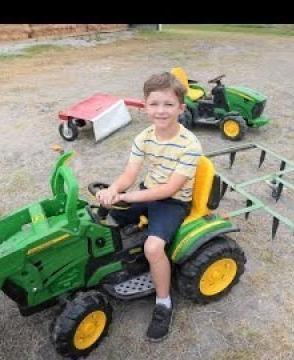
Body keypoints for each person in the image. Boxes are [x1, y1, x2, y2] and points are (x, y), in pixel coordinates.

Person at [96, 71, 202, 342]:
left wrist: (129, 197)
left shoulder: (190, 145)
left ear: (181, 107)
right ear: (145, 107)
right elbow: (129, 176)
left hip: (173, 202)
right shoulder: (143, 138)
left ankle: (164, 302)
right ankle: (128, 261)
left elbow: (169, 189)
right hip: (148, 191)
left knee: (153, 247)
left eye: (168, 104)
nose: (161, 110)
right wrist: (113, 190)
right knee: (111, 215)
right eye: (154, 104)